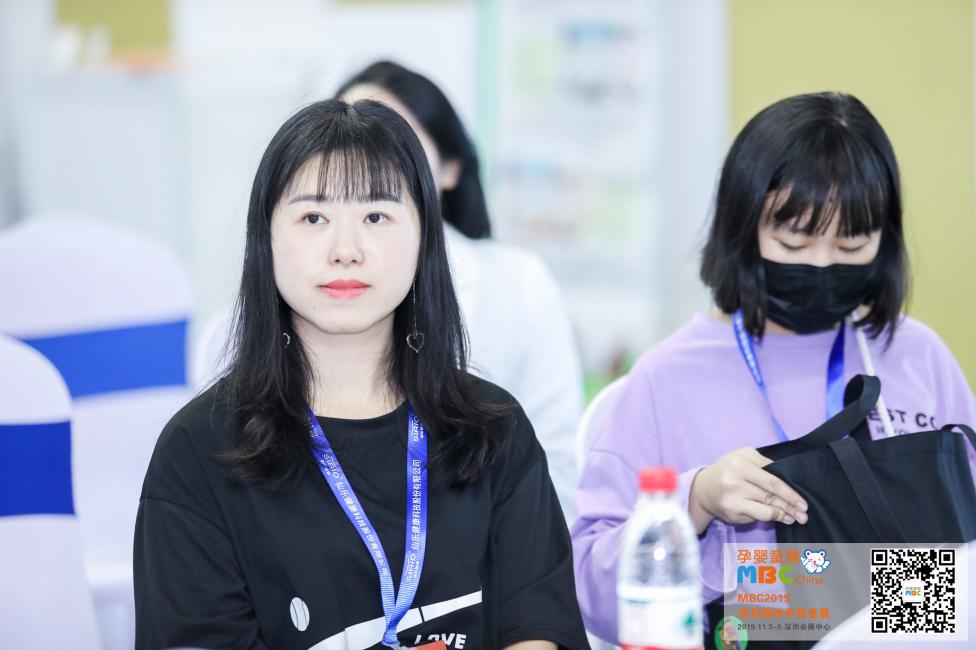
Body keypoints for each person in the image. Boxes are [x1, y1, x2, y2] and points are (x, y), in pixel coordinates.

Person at [135, 98, 589, 650]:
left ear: (424, 238)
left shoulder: (494, 430)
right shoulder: (199, 452)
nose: (346, 251)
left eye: (376, 217)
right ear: (266, 240)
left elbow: (540, 626)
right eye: (313, 218)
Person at [571, 92, 976, 643]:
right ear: (742, 229)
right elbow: (588, 592)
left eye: (851, 245)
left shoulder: (917, 356)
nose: (822, 264)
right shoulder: (667, 379)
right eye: (793, 241)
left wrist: (835, 597)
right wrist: (696, 502)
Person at [336, 61, 584, 521]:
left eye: (394, 143)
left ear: (449, 169)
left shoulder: (519, 284)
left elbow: (555, 469)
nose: (366, 167)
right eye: (346, 144)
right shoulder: (291, 290)